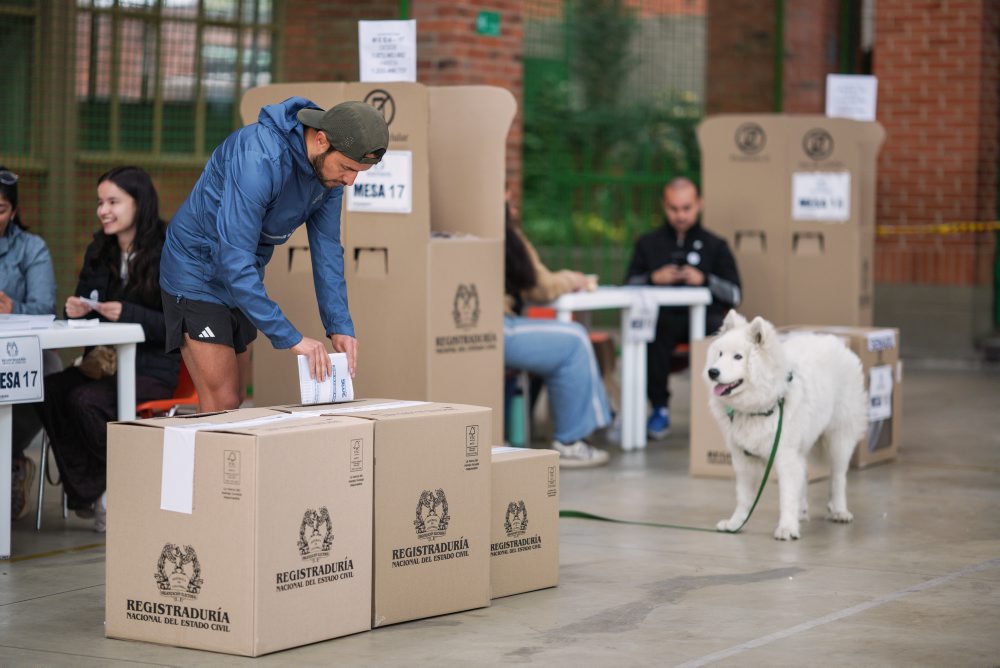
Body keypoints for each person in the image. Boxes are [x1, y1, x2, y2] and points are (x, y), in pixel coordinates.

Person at [160, 98, 389, 412]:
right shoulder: (259, 158)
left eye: (359, 172)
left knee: (236, 397)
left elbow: (328, 252)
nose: (351, 181)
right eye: (348, 168)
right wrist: (292, 338)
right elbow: (234, 259)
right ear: (321, 140)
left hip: (243, 277)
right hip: (196, 271)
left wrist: (340, 326)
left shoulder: (329, 177)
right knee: (221, 402)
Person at [38, 166, 178, 532]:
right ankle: (94, 491)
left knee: (84, 401)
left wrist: (128, 313)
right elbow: (87, 310)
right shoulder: (99, 249)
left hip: (154, 369)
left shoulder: (170, 247)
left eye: (113, 201)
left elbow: (179, 325)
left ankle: (111, 490)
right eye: (101, 202)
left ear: (139, 202)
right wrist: (77, 312)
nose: (103, 211)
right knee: (49, 390)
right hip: (103, 364)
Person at [625, 177, 741, 439]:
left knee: (720, 334)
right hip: (662, 321)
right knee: (649, 332)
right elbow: (627, 285)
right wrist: (653, 278)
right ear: (664, 207)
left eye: (686, 208)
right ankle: (659, 408)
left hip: (705, 322)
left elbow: (735, 293)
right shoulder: (648, 243)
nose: (680, 215)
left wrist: (705, 280)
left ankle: (720, 410)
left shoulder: (716, 245)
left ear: (699, 205)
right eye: (673, 208)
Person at [505, 198, 612, 467]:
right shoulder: (504, 233)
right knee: (574, 339)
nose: (515, 208)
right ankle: (571, 440)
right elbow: (539, 286)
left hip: (484, 328)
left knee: (571, 339)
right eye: (509, 202)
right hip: (497, 328)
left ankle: (597, 420)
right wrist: (573, 280)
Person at [0, 167, 58, 520]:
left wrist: (13, 308)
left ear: (15, 212)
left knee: (50, 371)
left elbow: (45, 308)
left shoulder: (31, 248)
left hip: (15, 355)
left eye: (0, 209)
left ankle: (11, 457)